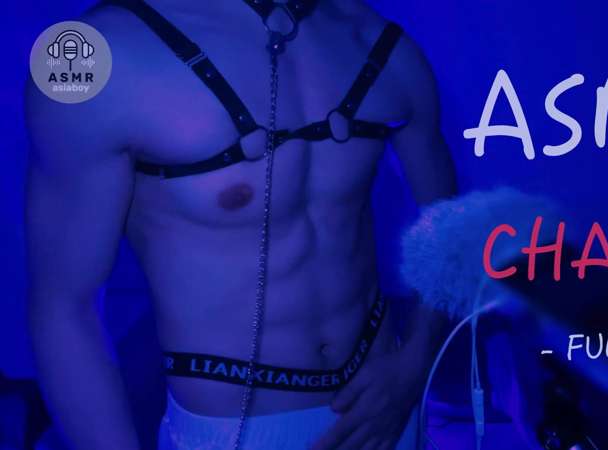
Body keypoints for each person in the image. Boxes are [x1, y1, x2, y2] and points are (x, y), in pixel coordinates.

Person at [24, 0, 456, 448]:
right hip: (231, 427)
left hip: (387, 410)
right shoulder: (99, 53)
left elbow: (447, 225)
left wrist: (415, 362)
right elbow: (63, 307)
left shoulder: (376, 39)